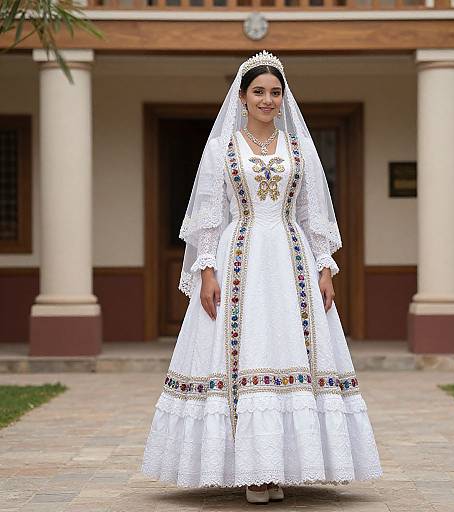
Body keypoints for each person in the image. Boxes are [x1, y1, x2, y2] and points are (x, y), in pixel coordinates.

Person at [141, 50, 383, 504]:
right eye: (259, 92)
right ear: (243, 96)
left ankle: (282, 465)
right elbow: (208, 217)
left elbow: (314, 213)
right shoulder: (222, 148)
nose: (268, 100)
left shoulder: (300, 149)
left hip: (293, 260)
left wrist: (326, 267)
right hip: (240, 259)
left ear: (283, 97)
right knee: (244, 350)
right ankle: (253, 471)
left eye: (275, 92)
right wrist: (206, 270)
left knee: (293, 351)